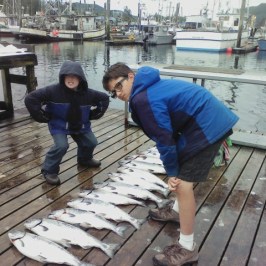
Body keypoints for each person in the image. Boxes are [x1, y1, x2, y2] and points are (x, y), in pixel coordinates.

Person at [102, 63, 239, 266]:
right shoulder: (147, 87)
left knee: (182, 185)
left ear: (131, 76)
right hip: (204, 121)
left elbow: (164, 140)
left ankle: (187, 248)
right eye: (113, 92)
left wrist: (172, 172)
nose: (118, 94)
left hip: (207, 125)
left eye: (119, 86)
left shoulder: (142, 99)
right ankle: (176, 212)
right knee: (181, 171)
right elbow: (168, 128)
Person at [25, 60, 109, 186]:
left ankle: (84, 159)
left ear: (80, 79)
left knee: (91, 142)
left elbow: (104, 98)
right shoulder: (52, 91)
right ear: (62, 77)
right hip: (59, 125)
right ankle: (49, 171)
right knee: (61, 146)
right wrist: (40, 116)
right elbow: (31, 98)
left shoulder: (88, 93)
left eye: (74, 76)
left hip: (80, 125)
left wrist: (95, 114)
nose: (71, 79)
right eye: (67, 76)